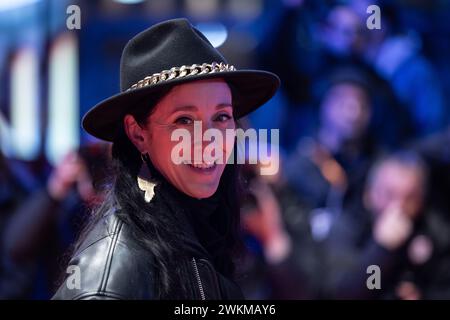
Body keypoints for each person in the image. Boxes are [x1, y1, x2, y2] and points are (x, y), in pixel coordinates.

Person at [52, 18, 279, 300]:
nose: (209, 139)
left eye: (222, 117)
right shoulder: (111, 274)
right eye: (183, 120)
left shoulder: (202, 227)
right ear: (138, 135)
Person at [324, 151, 450, 299]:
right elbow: (356, 292)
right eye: (389, 194)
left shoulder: (434, 231)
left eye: (410, 198)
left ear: (421, 200)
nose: (398, 207)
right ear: (369, 195)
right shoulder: (346, 229)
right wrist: (381, 251)